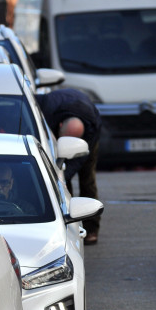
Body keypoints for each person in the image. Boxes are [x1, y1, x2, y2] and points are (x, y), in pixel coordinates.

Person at [37, 88, 103, 244]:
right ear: (60, 126)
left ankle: (91, 229)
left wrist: (64, 177)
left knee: (87, 179)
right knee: (61, 177)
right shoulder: (47, 109)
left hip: (88, 141)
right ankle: (69, 224)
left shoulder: (92, 126)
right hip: (55, 130)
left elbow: (79, 161)